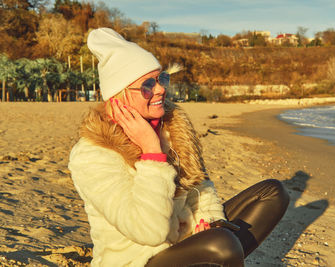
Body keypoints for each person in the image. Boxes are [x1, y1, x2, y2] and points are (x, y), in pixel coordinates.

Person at [68, 28, 289, 267]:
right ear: (118, 96)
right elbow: (149, 232)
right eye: (147, 85)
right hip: (139, 259)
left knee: (272, 193)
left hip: (182, 240)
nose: (161, 89)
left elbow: (200, 186)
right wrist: (153, 154)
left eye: (161, 79)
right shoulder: (92, 153)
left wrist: (209, 222)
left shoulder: (172, 129)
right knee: (222, 245)